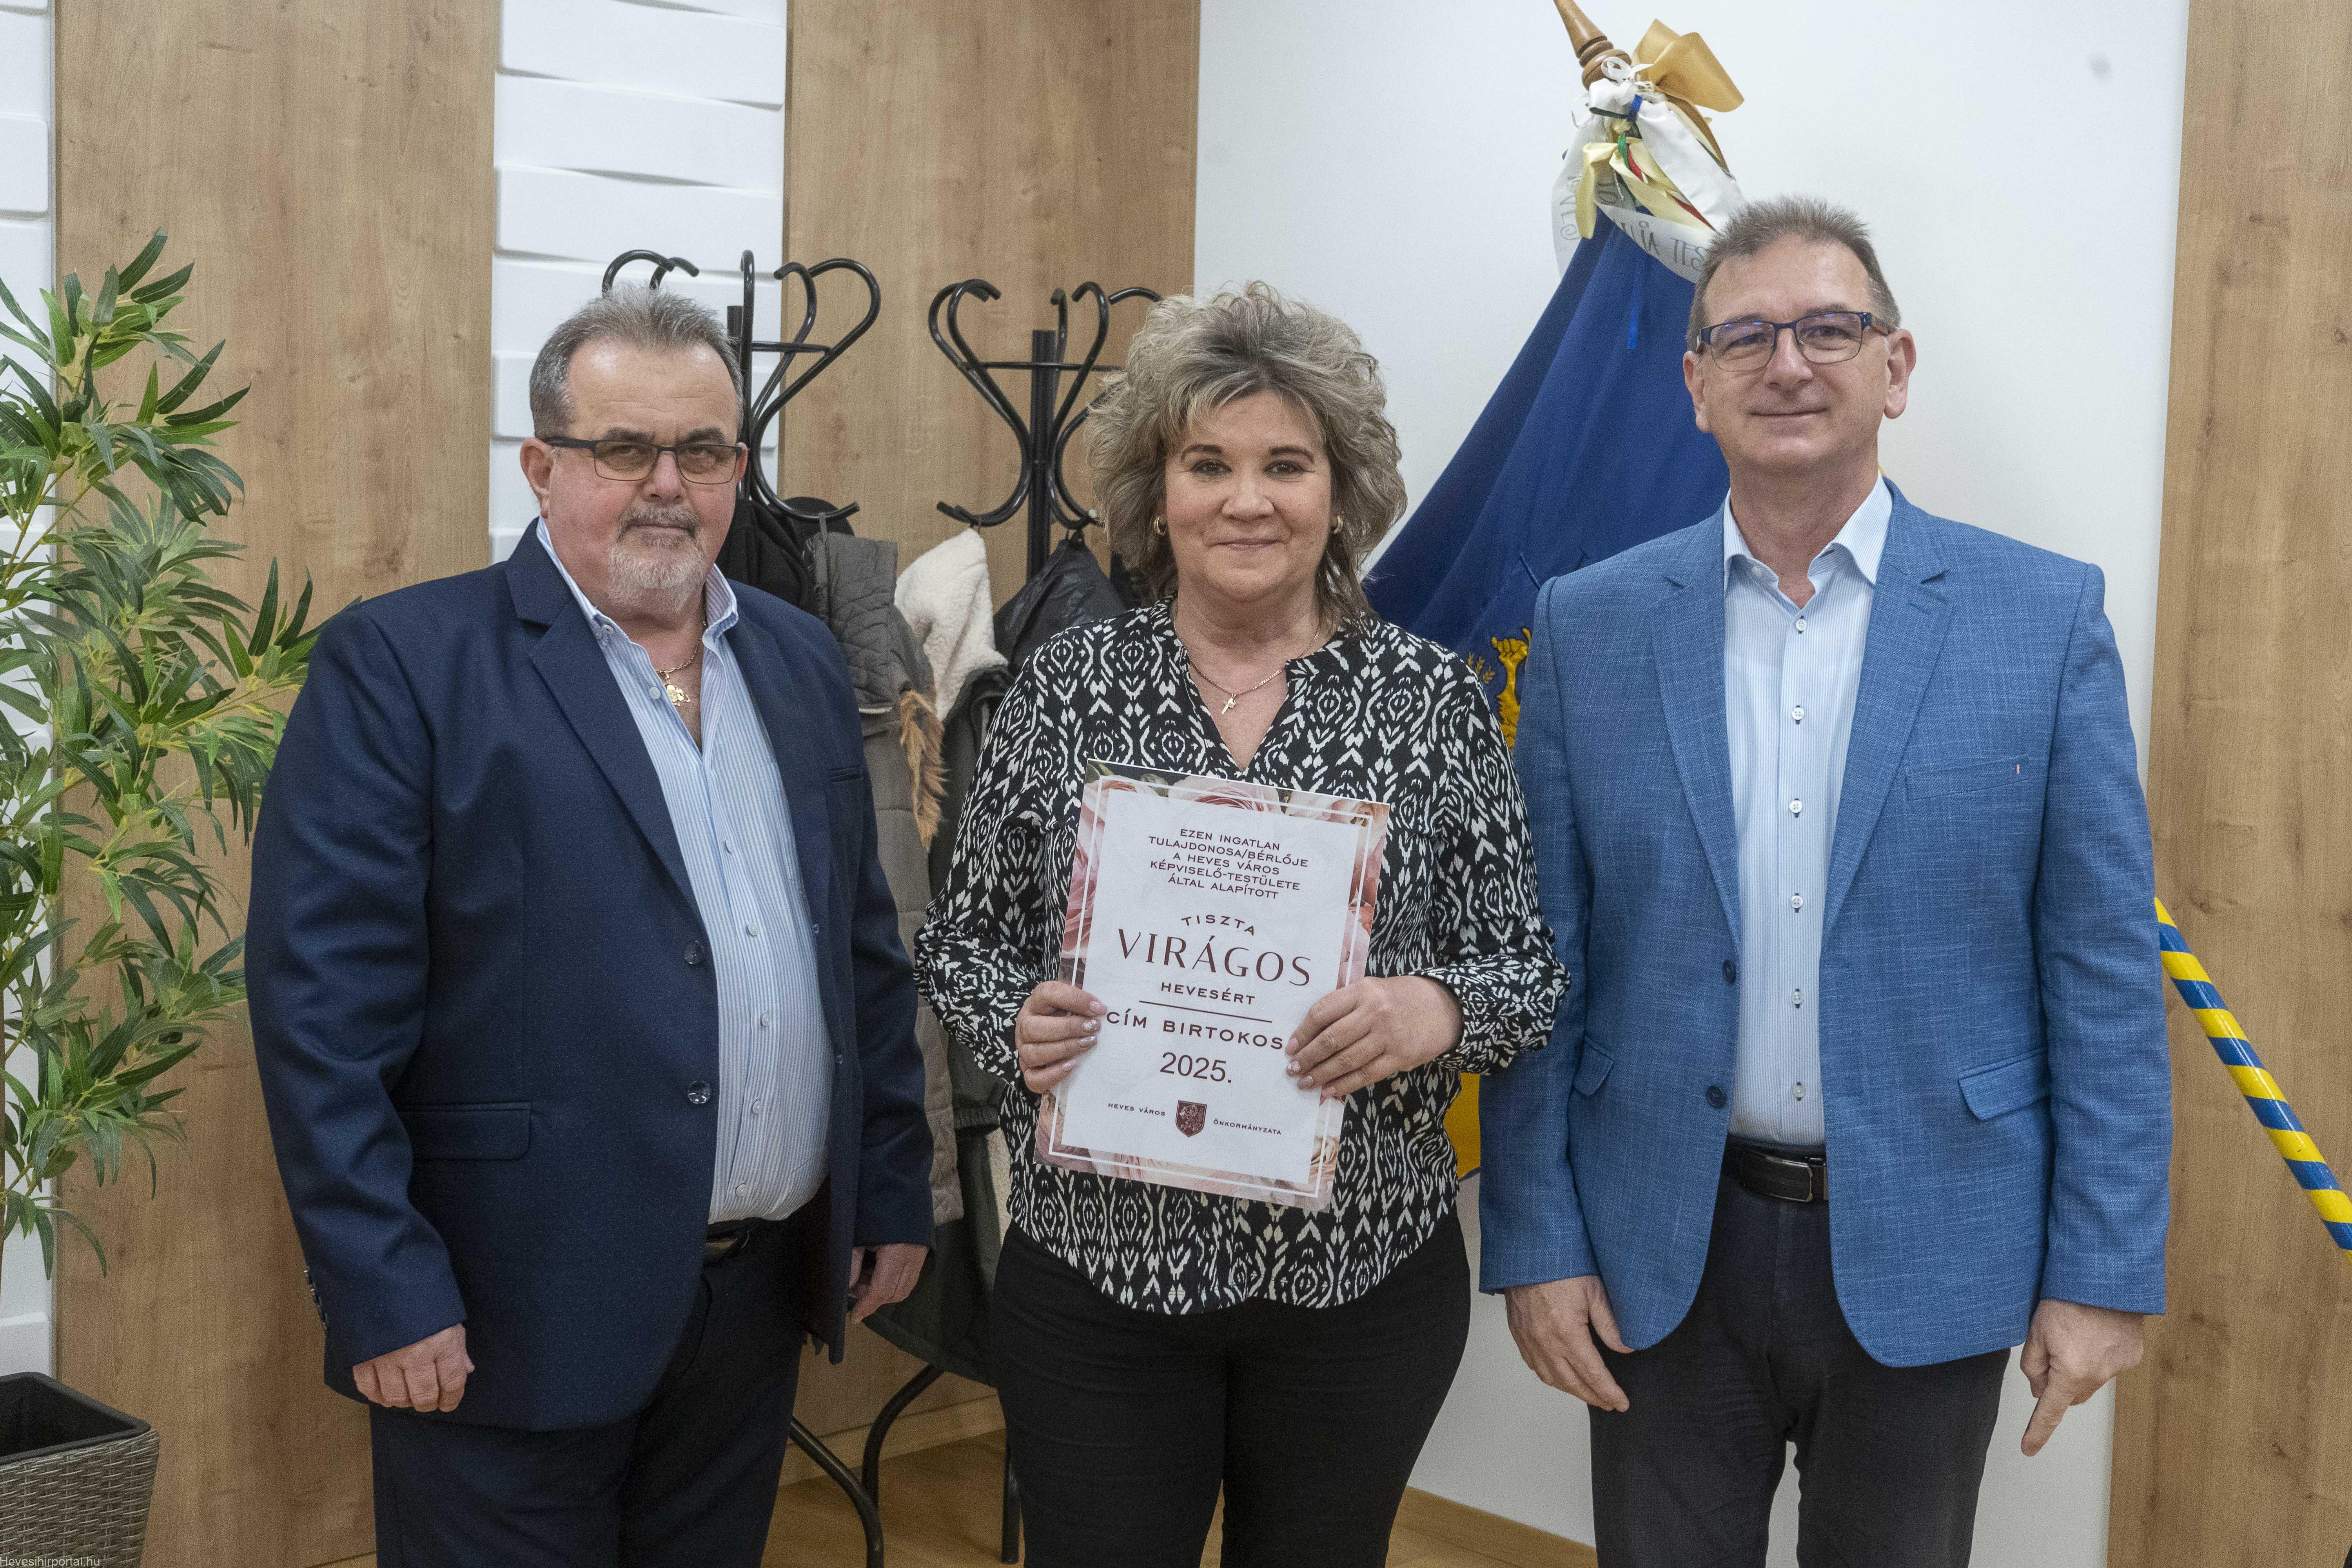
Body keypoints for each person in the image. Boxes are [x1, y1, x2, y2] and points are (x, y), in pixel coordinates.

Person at [1481, 196, 2171, 1567]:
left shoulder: (2042, 619)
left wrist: (2102, 1271)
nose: (1786, 363)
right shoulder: (1589, 625)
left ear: (1894, 367)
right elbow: (1544, 959)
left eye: (1828, 329)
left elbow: (2101, 973)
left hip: (1934, 1236)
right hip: (1662, 1247)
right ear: (1695, 385)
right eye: (1745, 337)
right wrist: (1538, 1238)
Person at [248, 286, 933, 1566]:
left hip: (753, 1302)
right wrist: (382, 1283)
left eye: (704, 451)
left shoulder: (795, 658)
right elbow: (322, 1022)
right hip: (507, 1311)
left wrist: (890, 1181)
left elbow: (860, 950)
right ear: (542, 466)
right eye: (625, 449)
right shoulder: (404, 665)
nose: (668, 485)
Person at [916, 283, 1565, 1568]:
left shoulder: (1430, 701)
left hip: (1358, 1285)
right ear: (1157, 491)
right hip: (1097, 1281)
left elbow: (1524, 972)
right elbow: (962, 944)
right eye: (1207, 463)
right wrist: (1013, 1020)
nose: (1246, 500)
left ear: (1342, 490)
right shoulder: (1067, 686)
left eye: (1286, 464)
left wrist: (1435, 1009)